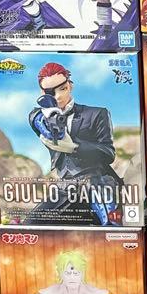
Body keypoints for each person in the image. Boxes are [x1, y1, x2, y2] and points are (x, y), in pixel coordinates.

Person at [25, 62, 123, 225]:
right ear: (42, 93)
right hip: (65, 189)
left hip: (95, 183)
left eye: (62, 88)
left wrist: (74, 147)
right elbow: (35, 118)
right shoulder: (40, 115)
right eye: (50, 93)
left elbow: (108, 153)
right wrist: (46, 115)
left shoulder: (96, 113)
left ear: (70, 85)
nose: (58, 96)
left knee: (111, 224)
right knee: (30, 225)